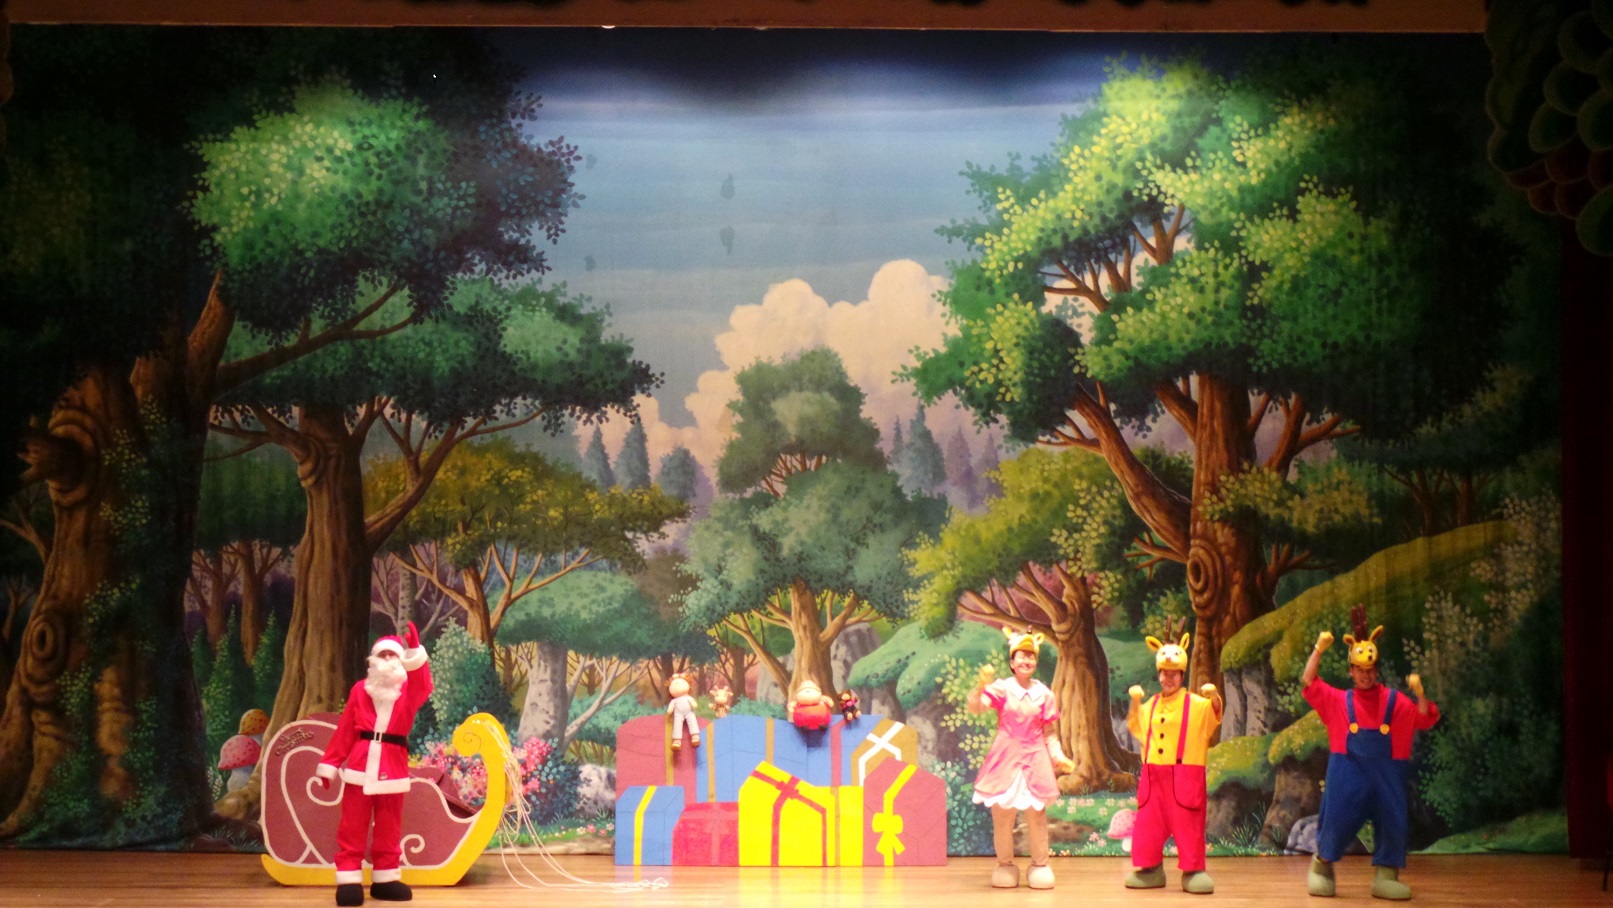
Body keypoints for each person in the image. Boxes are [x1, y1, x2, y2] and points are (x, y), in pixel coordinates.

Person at [1301, 605, 1440, 901]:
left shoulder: (1396, 702)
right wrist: (1318, 649)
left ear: (1376, 670)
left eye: (1370, 670)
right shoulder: (1338, 701)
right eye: (1360, 670)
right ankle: (1321, 868)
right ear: (1351, 671)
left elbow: (1424, 717)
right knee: (1337, 817)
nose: (1365, 675)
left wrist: (1420, 694)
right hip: (1347, 771)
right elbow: (1309, 681)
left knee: (1392, 818)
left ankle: (1386, 875)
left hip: (1387, 774)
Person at [315, 623, 433, 907]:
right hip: (360, 765)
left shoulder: (408, 691)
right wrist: (330, 763)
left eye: (394, 655)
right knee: (352, 825)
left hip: (393, 766)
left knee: (389, 827)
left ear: (401, 662)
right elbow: (345, 729)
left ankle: (385, 879)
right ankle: (349, 879)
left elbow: (424, 685)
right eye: (383, 655)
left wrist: (414, 651)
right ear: (373, 660)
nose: (388, 660)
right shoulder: (360, 690)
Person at [968, 627, 1074, 890]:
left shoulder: (1044, 694)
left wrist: (1058, 756)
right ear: (1012, 662)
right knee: (1003, 816)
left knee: (1037, 816)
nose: (1026, 660)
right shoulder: (1002, 688)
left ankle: (1040, 865)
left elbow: (1049, 733)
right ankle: (1005, 865)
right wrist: (981, 686)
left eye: (1031, 655)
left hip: (1035, 759)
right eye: (1021, 655)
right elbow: (977, 707)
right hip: (1005, 759)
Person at [1123, 627, 1222, 895]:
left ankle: (1193, 870)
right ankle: (1150, 868)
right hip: (1153, 778)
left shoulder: (1196, 704)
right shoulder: (1150, 706)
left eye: (1174, 673)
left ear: (1182, 675)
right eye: (1164, 673)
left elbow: (1214, 715)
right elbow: (1135, 724)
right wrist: (1135, 701)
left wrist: (1214, 697)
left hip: (1185, 777)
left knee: (1188, 824)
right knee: (1148, 825)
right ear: (1159, 675)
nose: (1168, 678)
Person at [667, 673, 700, 748]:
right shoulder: (674, 700)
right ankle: (677, 741)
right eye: (675, 684)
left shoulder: (688, 697)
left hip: (689, 712)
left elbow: (694, 704)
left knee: (693, 721)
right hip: (678, 714)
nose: (679, 686)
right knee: (677, 725)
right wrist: (669, 711)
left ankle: (695, 737)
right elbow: (670, 708)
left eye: (682, 683)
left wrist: (694, 705)